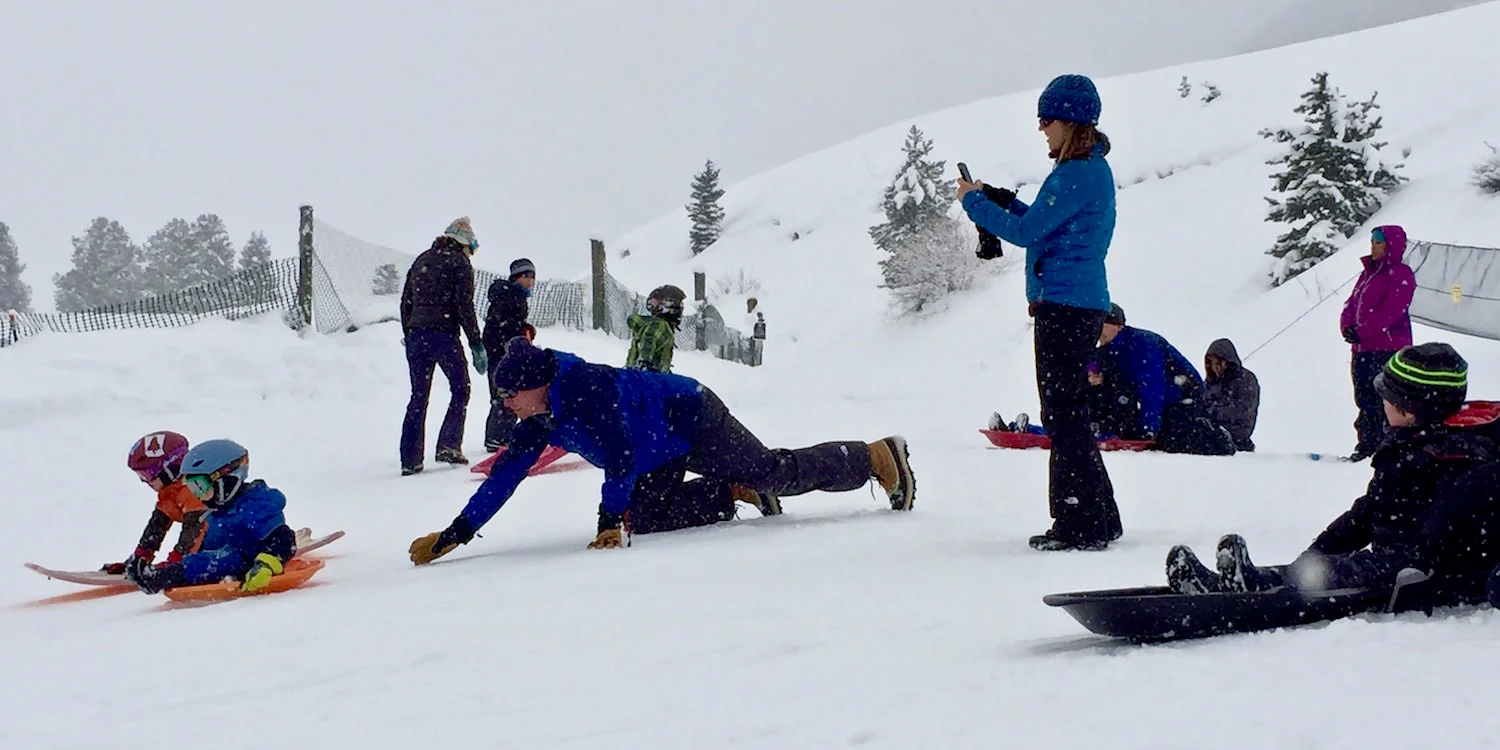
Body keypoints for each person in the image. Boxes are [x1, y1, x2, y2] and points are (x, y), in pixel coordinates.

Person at [407, 338, 916, 562]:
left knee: (774, 473)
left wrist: (606, 520)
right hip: (657, 451)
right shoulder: (537, 420)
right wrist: (458, 533)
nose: (504, 405)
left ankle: (873, 456)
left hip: (691, 417)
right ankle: (727, 490)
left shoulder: (586, 389)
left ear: (535, 384)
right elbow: (504, 478)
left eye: (508, 395)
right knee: (646, 519)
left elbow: (620, 456)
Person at [1164, 343, 1495, 599]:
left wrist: (1406, 567)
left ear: (1411, 410)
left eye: (1388, 398)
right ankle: (1253, 583)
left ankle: (1258, 591)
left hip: (1431, 570)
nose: (1381, 403)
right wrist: (1313, 555)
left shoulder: (1459, 460)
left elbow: (1439, 538)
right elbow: (1367, 513)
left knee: (1339, 573)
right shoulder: (1411, 445)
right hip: (1402, 558)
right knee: (1320, 568)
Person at [957, 73, 1122, 551]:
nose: (1041, 129)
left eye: (1046, 119)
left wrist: (973, 204)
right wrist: (998, 197)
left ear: (1070, 121)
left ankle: (1079, 523)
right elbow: (1043, 222)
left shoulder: (1077, 173)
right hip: (1077, 304)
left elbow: (1027, 233)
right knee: (1069, 411)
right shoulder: (1086, 171)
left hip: (1065, 307)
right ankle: (1100, 517)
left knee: (1063, 414)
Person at [122, 439, 299, 594]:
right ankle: (165, 574)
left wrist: (266, 564)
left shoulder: (255, 505)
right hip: (222, 561)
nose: (197, 495)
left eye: (199, 486)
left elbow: (284, 539)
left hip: (246, 560)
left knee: (226, 559)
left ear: (225, 480)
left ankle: (166, 575)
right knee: (213, 558)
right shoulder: (214, 511)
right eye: (191, 488)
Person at [399, 217, 486, 475]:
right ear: (464, 243)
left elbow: (406, 302)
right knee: (461, 388)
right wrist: (475, 343)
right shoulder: (460, 263)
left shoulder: (422, 260)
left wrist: (410, 331)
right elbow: (464, 306)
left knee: (418, 396)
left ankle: (410, 459)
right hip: (444, 336)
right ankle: (448, 444)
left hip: (417, 336)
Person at [1095, 304, 1235, 456]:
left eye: (1102, 323)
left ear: (1118, 326)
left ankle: (1217, 437)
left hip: (1182, 398)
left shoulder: (1142, 343)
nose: (1097, 328)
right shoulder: (1106, 349)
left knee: (1171, 440)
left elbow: (1153, 387)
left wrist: (1148, 428)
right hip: (1155, 401)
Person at [1340, 225, 1416, 461]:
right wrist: (1347, 327)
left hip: (1388, 348)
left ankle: (1387, 446)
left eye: (1379, 242)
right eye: (1372, 241)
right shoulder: (1367, 273)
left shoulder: (1401, 273)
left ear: (1391, 245)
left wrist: (1363, 331)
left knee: (1386, 399)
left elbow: (1392, 310)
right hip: (1362, 348)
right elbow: (1351, 303)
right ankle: (1367, 444)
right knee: (1364, 398)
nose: (1373, 246)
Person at [101, 431, 207, 575]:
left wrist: (174, 566)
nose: (144, 481)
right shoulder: (170, 492)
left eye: (147, 475)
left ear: (169, 469)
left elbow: (194, 531)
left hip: (220, 545)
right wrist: (139, 559)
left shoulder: (192, 491)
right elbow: (156, 528)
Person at [481, 258, 536, 452]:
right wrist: (516, 339)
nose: (530, 281)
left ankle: (500, 436)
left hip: (502, 351)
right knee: (506, 393)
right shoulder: (509, 296)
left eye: (532, 277)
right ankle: (499, 437)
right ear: (515, 278)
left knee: (506, 393)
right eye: (526, 276)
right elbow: (502, 325)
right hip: (502, 353)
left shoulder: (512, 296)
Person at [1203, 338, 1260, 452]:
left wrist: (1211, 411)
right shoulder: (1211, 382)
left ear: (1227, 361)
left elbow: (1242, 410)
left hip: (1236, 436)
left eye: (1218, 362)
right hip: (1211, 431)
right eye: (1211, 363)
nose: (1215, 367)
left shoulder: (1246, 380)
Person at [626, 284, 685, 373]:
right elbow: (649, 338)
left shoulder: (661, 325)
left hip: (640, 374)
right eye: (653, 304)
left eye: (655, 303)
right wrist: (644, 362)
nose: (653, 307)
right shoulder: (659, 324)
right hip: (648, 376)